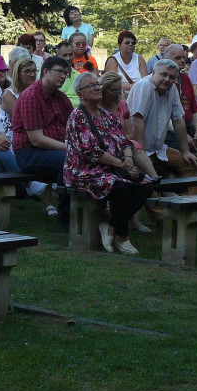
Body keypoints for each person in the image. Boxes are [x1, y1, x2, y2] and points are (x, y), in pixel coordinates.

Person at [65, 71, 152, 255]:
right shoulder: (78, 117)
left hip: (112, 167)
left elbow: (124, 141)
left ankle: (111, 224)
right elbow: (92, 153)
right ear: (80, 94)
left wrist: (128, 159)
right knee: (120, 187)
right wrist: (123, 165)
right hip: (84, 170)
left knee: (146, 183)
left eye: (97, 84)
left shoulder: (108, 115)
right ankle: (122, 236)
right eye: (91, 85)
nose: (97, 87)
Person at [12, 55, 74, 217]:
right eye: (59, 72)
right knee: (68, 160)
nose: (63, 76)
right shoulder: (31, 96)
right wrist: (70, 148)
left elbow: (73, 126)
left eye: (66, 73)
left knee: (82, 159)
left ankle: (83, 210)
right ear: (45, 72)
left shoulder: (61, 97)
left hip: (55, 150)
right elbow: (36, 139)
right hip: (28, 153)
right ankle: (67, 216)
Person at [126, 60, 197, 181]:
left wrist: (186, 151)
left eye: (171, 77)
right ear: (153, 72)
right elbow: (137, 120)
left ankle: (186, 199)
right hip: (138, 150)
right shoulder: (144, 86)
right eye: (163, 74)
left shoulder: (171, 89)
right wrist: (142, 154)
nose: (167, 79)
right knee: (151, 184)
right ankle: (165, 196)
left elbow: (178, 120)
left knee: (191, 165)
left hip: (159, 149)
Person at [0, 57, 38, 142]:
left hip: (35, 135)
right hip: (14, 139)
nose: (32, 75)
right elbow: (21, 120)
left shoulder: (37, 93)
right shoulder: (9, 94)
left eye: (34, 71)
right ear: (18, 74)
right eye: (27, 71)